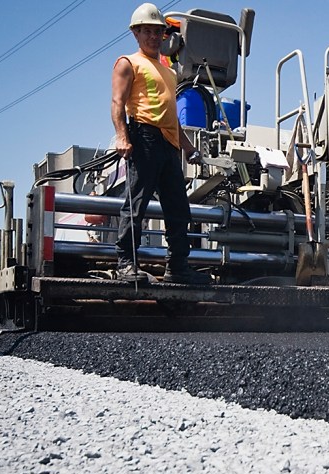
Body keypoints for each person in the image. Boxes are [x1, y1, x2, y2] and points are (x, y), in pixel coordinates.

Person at [112, 3, 209, 285]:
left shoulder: (168, 71)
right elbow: (117, 102)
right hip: (143, 136)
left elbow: (172, 118)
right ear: (136, 33)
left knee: (178, 208)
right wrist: (121, 136)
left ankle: (177, 267)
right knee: (136, 204)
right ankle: (126, 264)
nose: (154, 37)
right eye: (147, 32)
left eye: (158, 32)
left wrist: (188, 147)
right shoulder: (127, 63)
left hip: (168, 143)